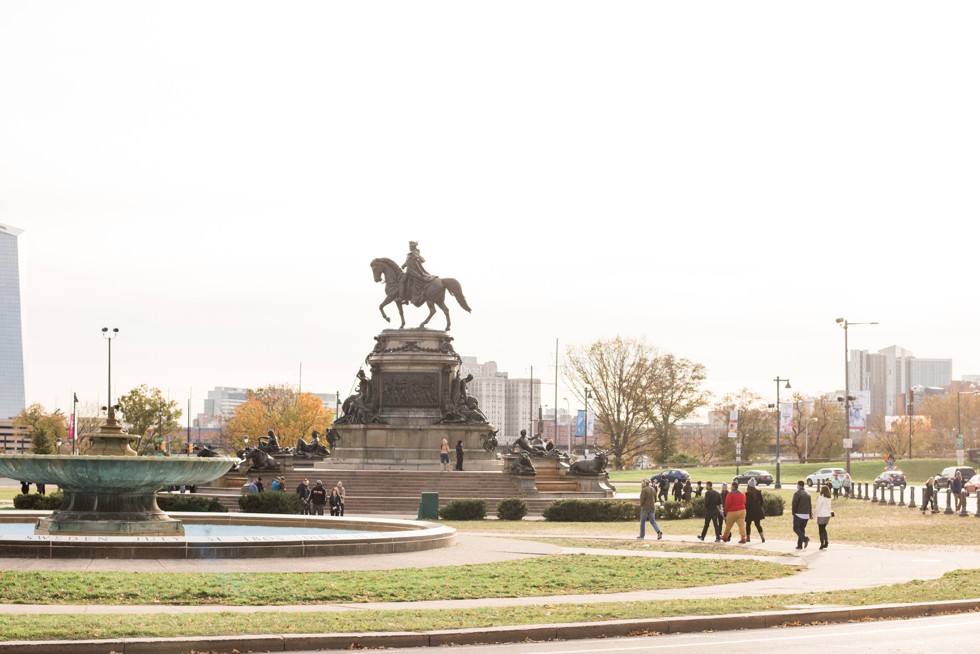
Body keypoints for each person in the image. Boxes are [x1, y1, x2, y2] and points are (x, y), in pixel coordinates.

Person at [400, 240, 436, 306]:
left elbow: (411, 263)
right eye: (409, 246)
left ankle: (401, 298)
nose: (409, 247)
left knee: (401, 281)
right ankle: (406, 299)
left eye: (410, 246)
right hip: (411, 271)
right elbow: (409, 262)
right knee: (407, 282)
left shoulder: (413, 254)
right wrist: (404, 265)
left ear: (413, 247)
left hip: (411, 272)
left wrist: (405, 266)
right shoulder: (415, 254)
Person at [792, 480, 813, 549]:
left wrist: (793, 513)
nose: (796, 486)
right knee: (801, 529)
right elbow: (810, 505)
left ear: (799, 485)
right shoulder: (808, 493)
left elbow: (794, 504)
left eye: (797, 484)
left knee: (795, 528)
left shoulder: (797, 493)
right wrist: (810, 514)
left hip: (798, 514)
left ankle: (805, 539)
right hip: (806, 515)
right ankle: (799, 545)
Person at [744, 478, 766, 543]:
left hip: (749, 511)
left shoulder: (747, 494)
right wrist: (758, 507)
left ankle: (748, 538)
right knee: (758, 524)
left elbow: (746, 504)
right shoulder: (758, 492)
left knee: (748, 524)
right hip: (757, 511)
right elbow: (762, 502)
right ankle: (762, 537)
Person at [815, 483, 833, 549]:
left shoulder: (820, 498)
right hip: (827, 515)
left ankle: (822, 543)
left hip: (821, 515)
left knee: (821, 530)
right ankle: (826, 542)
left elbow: (817, 508)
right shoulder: (829, 498)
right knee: (824, 529)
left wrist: (813, 516)